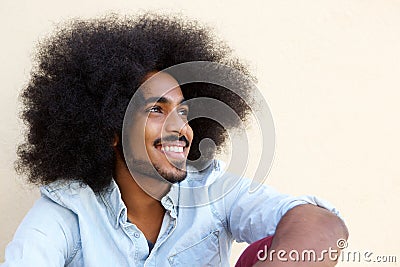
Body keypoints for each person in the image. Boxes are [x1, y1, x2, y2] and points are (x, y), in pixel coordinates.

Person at [2, 13, 348, 266]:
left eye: (183, 111)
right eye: (156, 109)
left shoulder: (212, 191)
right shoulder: (69, 211)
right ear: (110, 131)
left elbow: (321, 225)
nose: (180, 127)